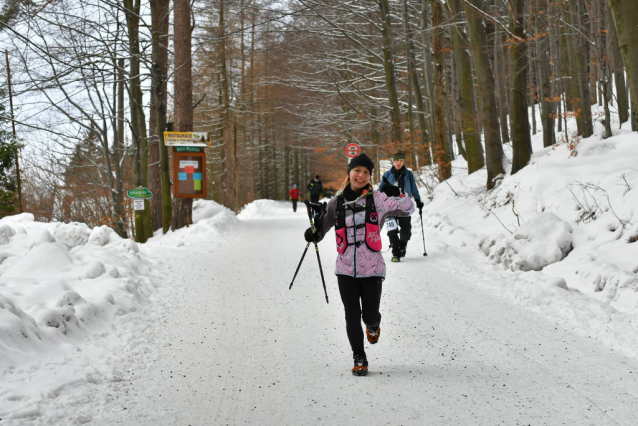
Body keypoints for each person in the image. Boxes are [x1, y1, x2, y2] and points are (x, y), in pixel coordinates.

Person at [303, 153, 414, 376]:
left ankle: (373, 325)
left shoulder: (378, 199)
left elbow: (408, 207)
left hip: (372, 268)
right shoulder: (336, 202)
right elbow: (321, 230)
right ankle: (359, 356)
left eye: (365, 172)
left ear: (369, 176)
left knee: (369, 316)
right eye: (357, 171)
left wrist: (398, 193)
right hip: (345, 269)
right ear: (349, 173)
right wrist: (312, 232)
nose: (361, 175)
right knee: (351, 314)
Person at [377, 151, 424, 262]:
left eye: (401, 160)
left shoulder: (408, 174)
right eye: (397, 160)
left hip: (404, 206)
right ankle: (395, 253)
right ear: (393, 161)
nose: (399, 162)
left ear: (403, 162)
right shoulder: (387, 174)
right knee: (392, 230)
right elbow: (380, 189)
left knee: (406, 231)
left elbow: (413, 188)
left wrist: (418, 200)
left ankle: (402, 245)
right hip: (390, 206)